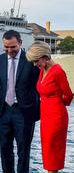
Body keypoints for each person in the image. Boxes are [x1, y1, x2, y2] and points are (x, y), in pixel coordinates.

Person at [0, 30, 40, 173]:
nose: (9, 50)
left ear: (20, 43)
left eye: (13, 47)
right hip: (4, 111)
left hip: (24, 112)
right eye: (6, 47)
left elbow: (39, 85)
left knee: (23, 151)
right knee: (5, 150)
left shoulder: (31, 60)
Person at [26, 41, 73, 173]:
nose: (35, 65)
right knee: (47, 151)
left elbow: (68, 95)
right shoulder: (43, 69)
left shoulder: (58, 71)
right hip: (45, 117)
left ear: (45, 57)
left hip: (56, 117)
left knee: (53, 152)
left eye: (36, 61)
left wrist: (57, 102)